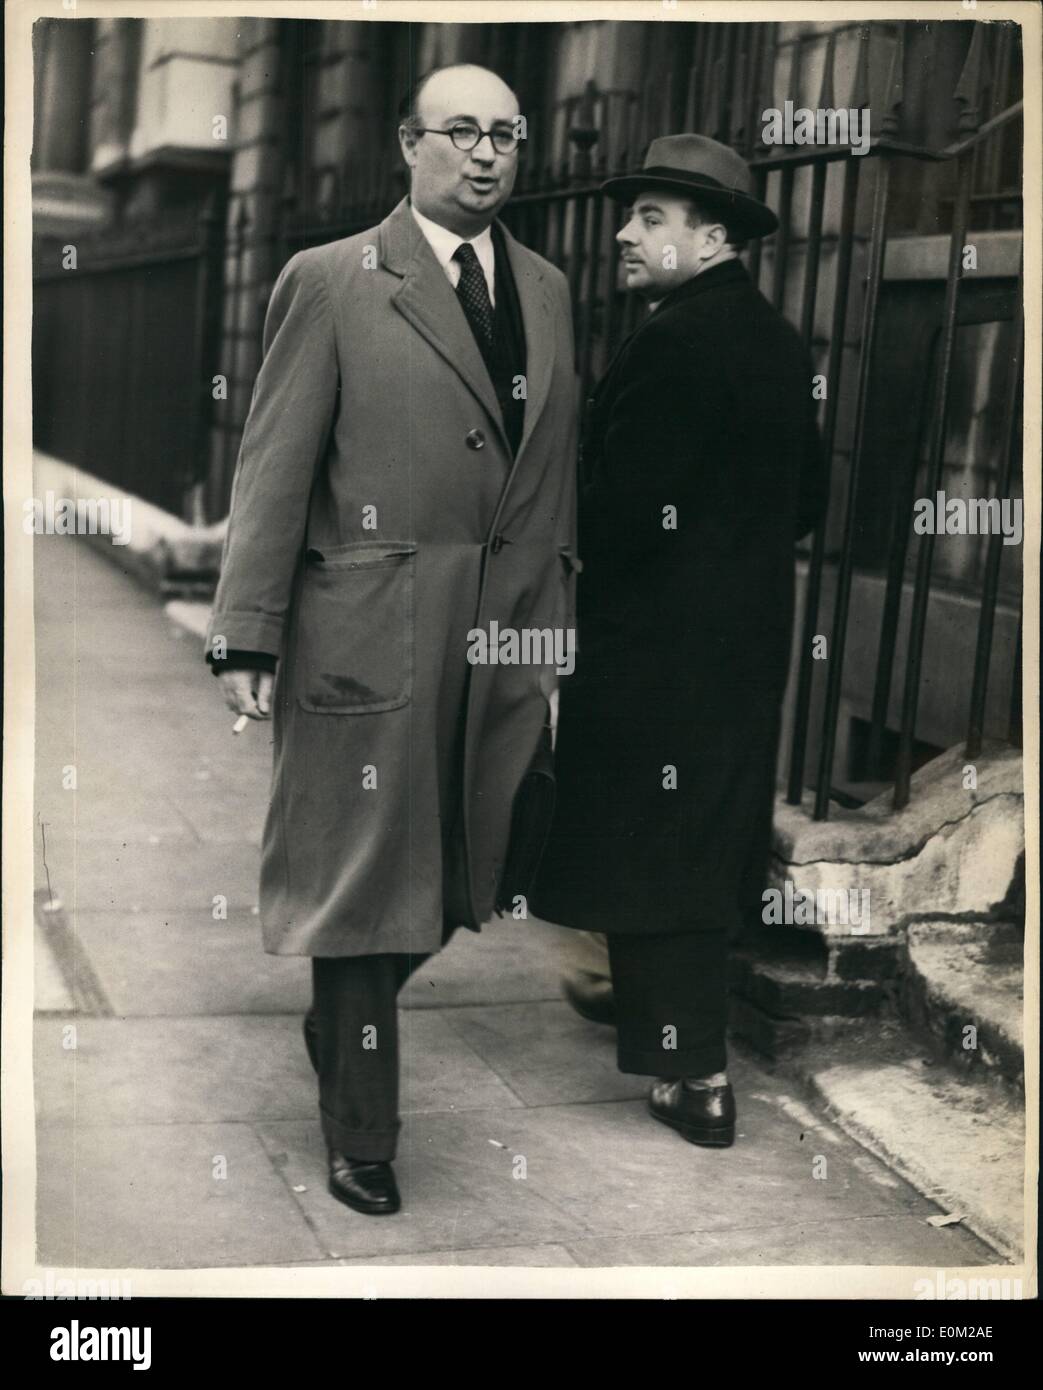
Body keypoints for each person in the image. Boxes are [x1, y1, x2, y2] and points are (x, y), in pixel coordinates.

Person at [207, 64, 578, 1214]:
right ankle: (361, 1131)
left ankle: (338, 1016)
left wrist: (552, 636)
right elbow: (273, 468)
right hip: (367, 633)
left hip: (501, 638)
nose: (485, 154)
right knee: (367, 886)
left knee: (489, 856)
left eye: (505, 134)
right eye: (460, 132)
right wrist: (248, 634)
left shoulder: (549, 288)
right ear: (408, 147)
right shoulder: (333, 279)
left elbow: (550, 476)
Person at [530, 134, 827, 1149]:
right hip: (742, 646)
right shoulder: (781, 343)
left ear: (710, 237)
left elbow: (619, 514)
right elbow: (810, 501)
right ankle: (645, 1011)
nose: (622, 231)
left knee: (656, 847)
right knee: (699, 837)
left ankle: (694, 1077)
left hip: (656, 651)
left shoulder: (673, 342)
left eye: (649, 217)